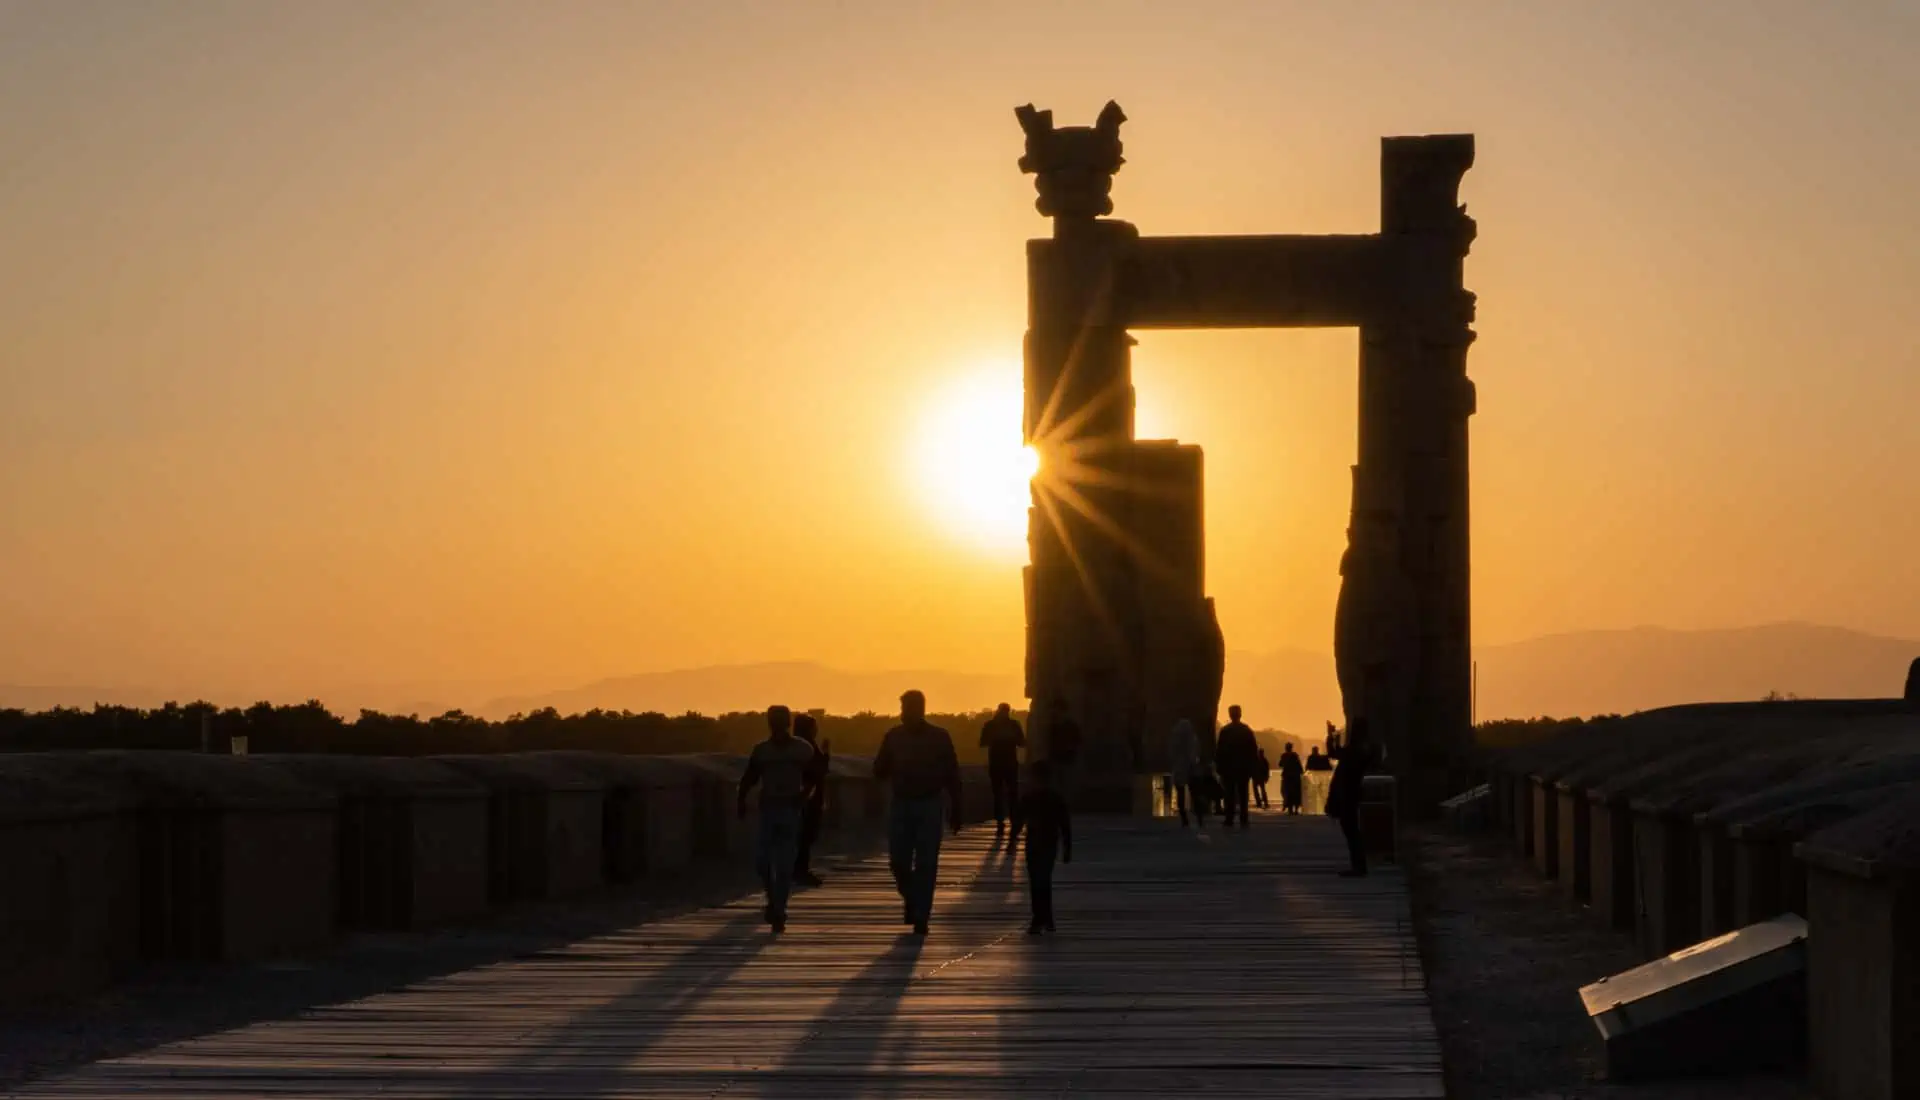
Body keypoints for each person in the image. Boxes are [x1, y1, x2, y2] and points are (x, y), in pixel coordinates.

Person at [873, 689, 963, 935]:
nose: (903, 714)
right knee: (898, 862)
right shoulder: (893, 737)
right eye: (902, 709)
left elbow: (952, 774)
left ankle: (922, 915)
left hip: (929, 804)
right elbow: (879, 769)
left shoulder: (939, 737)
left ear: (919, 710)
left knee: (927, 862)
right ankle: (913, 897)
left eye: (907, 709)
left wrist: (956, 807)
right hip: (901, 803)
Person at [738, 705, 818, 932]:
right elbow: (749, 778)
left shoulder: (802, 750)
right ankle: (772, 900)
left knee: (784, 865)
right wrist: (741, 800)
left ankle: (779, 909)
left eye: (781, 720)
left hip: (790, 810)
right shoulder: (762, 751)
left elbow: (813, 778)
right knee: (762, 862)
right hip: (768, 809)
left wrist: (803, 797)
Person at [1012, 759, 1072, 934]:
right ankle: (1046, 918)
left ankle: (1039, 917)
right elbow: (1065, 826)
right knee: (1044, 880)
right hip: (1049, 843)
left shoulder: (1029, 797)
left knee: (1036, 881)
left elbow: (1018, 821)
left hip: (1034, 844)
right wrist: (1067, 848)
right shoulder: (1055, 798)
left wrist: (1012, 841)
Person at [1325, 718, 1376, 877]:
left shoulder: (1355, 751)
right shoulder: (1363, 750)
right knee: (1351, 829)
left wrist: (1331, 737)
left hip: (1348, 793)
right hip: (1352, 792)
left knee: (1351, 829)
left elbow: (1334, 753)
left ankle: (1359, 866)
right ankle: (1358, 865)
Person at [793, 712, 831, 888]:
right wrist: (826, 754)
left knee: (803, 836)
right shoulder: (807, 747)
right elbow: (818, 770)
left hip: (806, 797)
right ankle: (799, 871)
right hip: (808, 798)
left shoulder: (797, 746)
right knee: (805, 835)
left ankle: (797, 870)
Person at [978, 703, 1027, 829]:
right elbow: (983, 742)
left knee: (1006, 793)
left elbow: (1021, 742)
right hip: (1002, 763)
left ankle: (1008, 819)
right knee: (1003, 793)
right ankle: (1004, 820)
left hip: (1003, 763)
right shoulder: (1004, 725)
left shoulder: (994, 725)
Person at [1214, 705, 1258, 829]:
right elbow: (1253, 751)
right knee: (1243, 795)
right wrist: (1252, 768)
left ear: (1230, 714)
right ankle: (1243, 819)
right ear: (1240, 714)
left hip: (1229, 768)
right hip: (1243, 768)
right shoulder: (1246, 731)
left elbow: (1219, 751)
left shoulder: (1225, 731)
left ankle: (1229, 818)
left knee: (1229, 794)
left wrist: (1219, 766)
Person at [1166, 717, 1203, 827]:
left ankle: (1184, 818)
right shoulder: (1193, 738)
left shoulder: (1175, 739)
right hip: (1191, 769)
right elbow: (1196, 754)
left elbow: (1171, 753)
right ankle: (1199, 817)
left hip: (1179, 769)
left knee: (1180, 794)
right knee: (1195, 794)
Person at [1279, 742, 1305, 815]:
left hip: (1287, 777)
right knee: (1296, 793)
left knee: (1288, 792)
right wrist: (1302, 772)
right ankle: (1295, 809)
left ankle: (1290, 809)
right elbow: (1299, 765)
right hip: (1294, 777)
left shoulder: (1284, 755)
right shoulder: (1294, 755)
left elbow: (1280, 764)